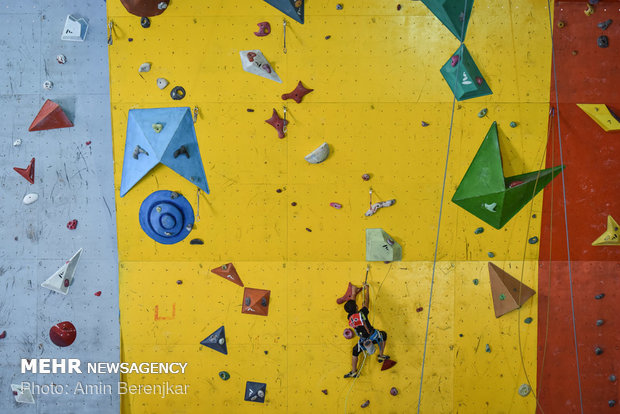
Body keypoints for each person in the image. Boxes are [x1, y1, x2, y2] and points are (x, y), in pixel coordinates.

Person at [343, 283, 389, 378]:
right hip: (373, 336)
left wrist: (354, 294)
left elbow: (352, 307)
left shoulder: (349, 317)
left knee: (355, 351)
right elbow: (367, 301)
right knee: (383, 335)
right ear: (356, 307)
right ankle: (381, 355)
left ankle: (354, 371)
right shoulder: (362, 313)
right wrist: (367, 289)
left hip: (364, 341)